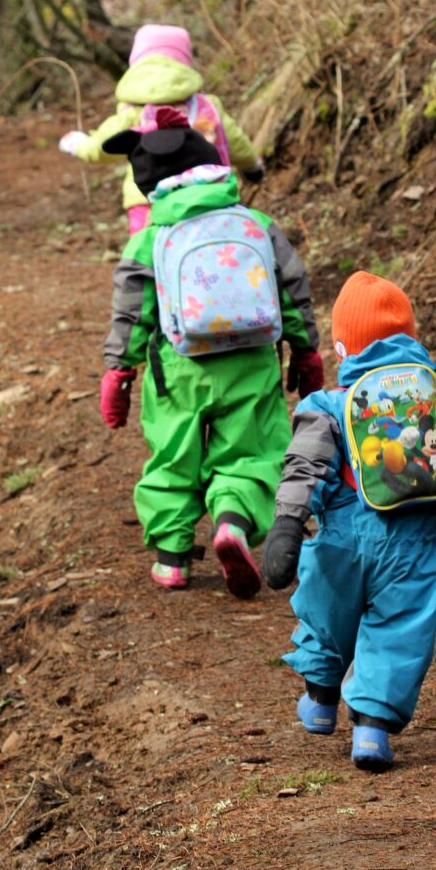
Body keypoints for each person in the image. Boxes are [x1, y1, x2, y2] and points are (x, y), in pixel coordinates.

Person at [261, 271, 436, 771]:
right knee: (398, 629)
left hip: (340, 539)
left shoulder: (329, 404)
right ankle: (372, 732)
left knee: (326, 614)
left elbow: (305, 466)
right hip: (411, 546)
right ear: (411, 338)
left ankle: (319, 700)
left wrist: (288, 524)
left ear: (342, 348)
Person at [98, 106, 323, 598]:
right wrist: (306, 350)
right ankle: (232, 522)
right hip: (253, 360)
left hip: (179, 369)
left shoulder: (149, 240)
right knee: (251, 451)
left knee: (174, 453)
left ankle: (172, 558)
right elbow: (292, 289)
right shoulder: (257, 224)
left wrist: (119, 370)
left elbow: (133, 314)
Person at [59, 23, 265, 234]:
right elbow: (235, 142)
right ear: (185, 63)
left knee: (144, 257)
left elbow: (100, 148)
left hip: (147, 202)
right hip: (208, 198)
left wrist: (77, 144)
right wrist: (253, 167)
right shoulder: (207, 107)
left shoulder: (133, 113)